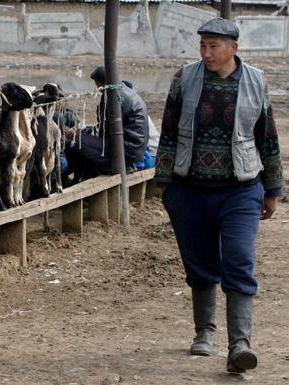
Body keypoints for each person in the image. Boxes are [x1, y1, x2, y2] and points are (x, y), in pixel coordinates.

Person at [155, 18, 284, 373]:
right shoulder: (185, 78)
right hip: (189, 189)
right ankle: (204, 332)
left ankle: (240, 345)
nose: (207, 53)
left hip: (240, 190)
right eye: (203, 46)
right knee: (199, 262)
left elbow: (268, 137)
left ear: (233, 48)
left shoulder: (256, 81)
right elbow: (167, 131)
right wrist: (165, 185)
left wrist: (273, 190)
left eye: (214, 46)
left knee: (240, 259)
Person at [64, 66, 149, 183]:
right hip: (134, 148)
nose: (97, 87)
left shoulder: (115, 97)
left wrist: (80, 134)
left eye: (97, 83)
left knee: (76, 141)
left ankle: (109, 167)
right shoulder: (124, 90)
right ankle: (86, 173)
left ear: (101, 83)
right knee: (81, 138)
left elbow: (104, 131)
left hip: (127, 151)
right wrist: (86, 132)